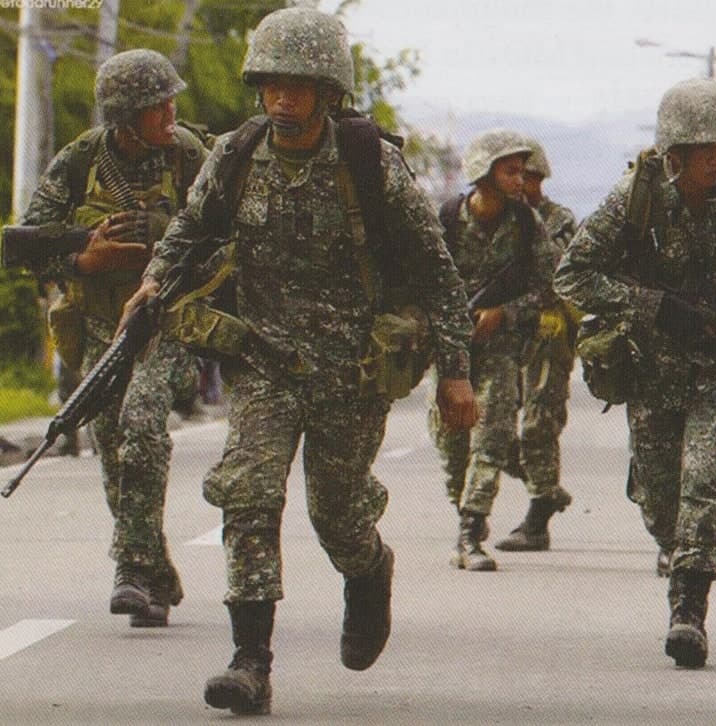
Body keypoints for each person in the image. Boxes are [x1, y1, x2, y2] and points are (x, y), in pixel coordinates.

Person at [122, 8, 477, 714]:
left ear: (327, 91)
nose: (283, 100)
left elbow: (437, 272)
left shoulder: (369, 162)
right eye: (272, 85)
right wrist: (155, 280)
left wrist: (457, 373)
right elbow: (191, 229)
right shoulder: (236, 153)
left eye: (298, 87)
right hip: (263, 361)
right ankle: (250, 657)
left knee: (337, 516)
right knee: (249, 495)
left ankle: (369, 571)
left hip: (352, 371)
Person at [554, 78, 716, 668]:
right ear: (674, 153)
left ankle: (689, 609)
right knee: (661, 501)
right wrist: (653, 306)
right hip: (653, 370)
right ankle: (677, 553)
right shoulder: (635, 199)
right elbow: (573, 274)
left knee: (706, 480)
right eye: (702, 148)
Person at [21, 49, 207, 628]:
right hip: (101, 325)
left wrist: (162, 236)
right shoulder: (80, 161)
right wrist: (83, 258)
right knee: (111, 447)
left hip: (166, 322)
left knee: (141, 423)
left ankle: (129, 565)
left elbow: (228, 237)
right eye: (158, 105)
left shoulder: (190, 158)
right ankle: (154, 570)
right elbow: (30, 242)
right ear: (126, 117)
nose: (170, 111)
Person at [430, 129, 556, 572]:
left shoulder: (526, 225)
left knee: (491, 438)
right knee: (452, 448)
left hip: (501, 351)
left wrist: (505, 313)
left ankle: (470, 532)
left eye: (522, 171)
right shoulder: (445, 220)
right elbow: (421, 281)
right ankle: (466, 517)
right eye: (511, 171)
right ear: (484, 173)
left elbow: (550, 286)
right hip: (450, 352)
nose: (520, 180)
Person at [495, 137, 575, 552]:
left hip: (547, 333)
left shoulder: (558, 219)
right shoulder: (499, 218)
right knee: (493, 429)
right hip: (504, 332)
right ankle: (546, 487)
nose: (518, 183)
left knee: (538, 425)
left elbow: (562, 274)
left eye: (525, 175)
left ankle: (538, 518)